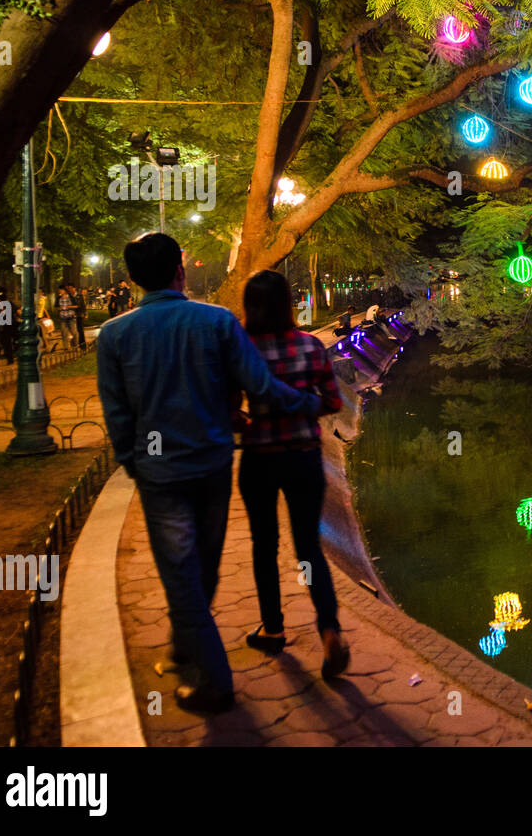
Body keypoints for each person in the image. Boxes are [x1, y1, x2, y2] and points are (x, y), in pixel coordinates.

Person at [96, 233, 322, 714]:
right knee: (201, 569)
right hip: (214, 465)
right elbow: (258, 385)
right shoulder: (216, 322)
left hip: (160, 474)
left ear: (133, 279)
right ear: (180, 269)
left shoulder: (115, 335)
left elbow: (117, 413)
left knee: (184, 575)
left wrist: (131, 461)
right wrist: (306, 403)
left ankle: (207, 673)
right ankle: (203, 663)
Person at [234, 270, 349, 679]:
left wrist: (253, 424)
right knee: (309, 549)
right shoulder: (310, 346)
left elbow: (229, 409)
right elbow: (333, 401)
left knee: (263, 545)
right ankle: (330, 630)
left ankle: (274, 627)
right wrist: (302, 408)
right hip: (303, 458)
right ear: (287, 302)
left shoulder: (241, 350)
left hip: (259, 460)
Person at [0, 287, 17, 363]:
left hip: (3, 326)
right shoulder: (9, 303)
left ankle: (10, 359)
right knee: (13, 341)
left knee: (6, 343)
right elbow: (17, 311)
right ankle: (14, 356)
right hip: (12, 324)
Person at [55, 285, 76, 349]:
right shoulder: (58, 298)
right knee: (64, 333)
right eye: (60, 290)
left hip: (71, 317)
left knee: (74, 333)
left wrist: (68, 307)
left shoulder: (71, 297)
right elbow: (56, 307)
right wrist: (60, 308)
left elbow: (76, 306)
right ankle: (66, 348)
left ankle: (74, 344)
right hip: (63, 318)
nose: (60, 291)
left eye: (61, 290)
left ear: (65, 291)